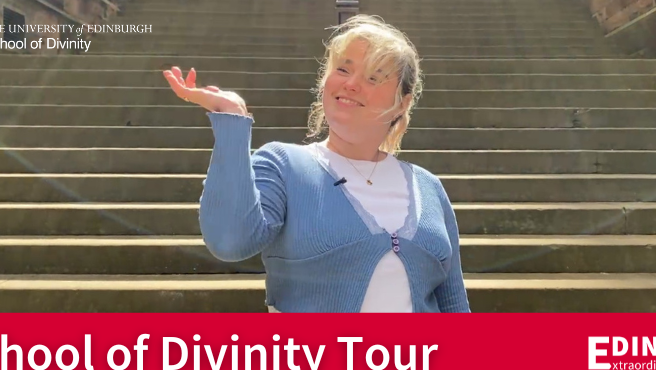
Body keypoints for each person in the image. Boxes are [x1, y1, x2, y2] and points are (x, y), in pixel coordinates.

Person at [162, 15, 470, 313]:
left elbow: (454, 302)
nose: (351, 84)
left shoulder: (428, 186)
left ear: (401, 103)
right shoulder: (284, 165)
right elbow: (229, 241)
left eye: (373, 77)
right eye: (343, 69)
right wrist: (233, 119)